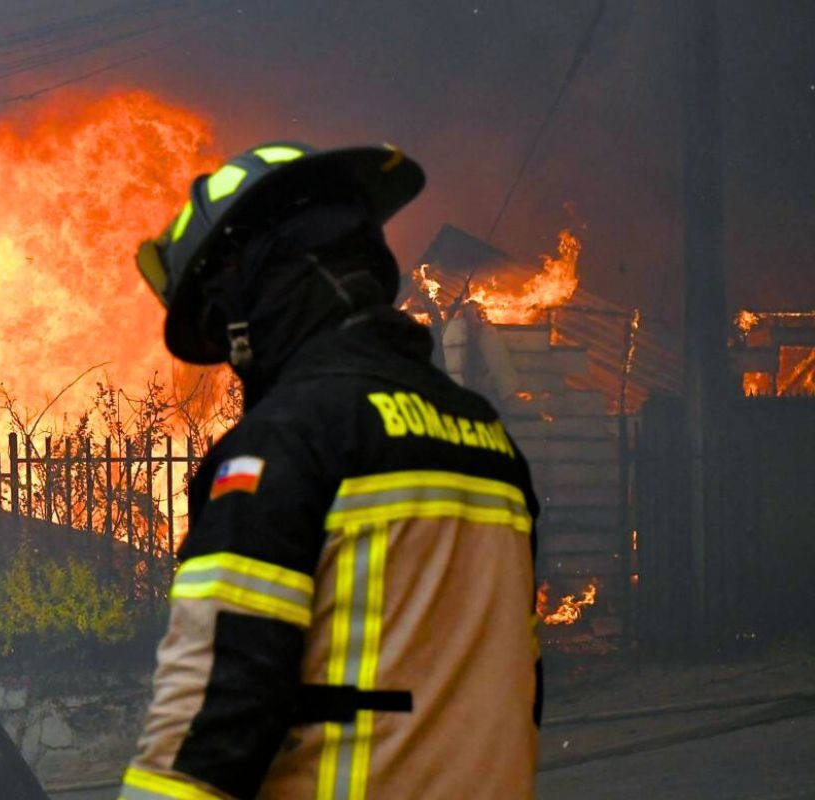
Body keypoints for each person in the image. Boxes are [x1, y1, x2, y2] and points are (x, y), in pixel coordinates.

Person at [121, 142, 541, 799]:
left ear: (251, 288)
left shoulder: (285, 442)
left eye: (223, 318)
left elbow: (216, 709)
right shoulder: (485, 439)